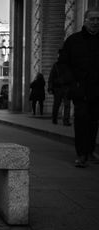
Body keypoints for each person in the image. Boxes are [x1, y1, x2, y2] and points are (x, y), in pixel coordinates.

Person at [58, 8, 99, 168]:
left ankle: (89, 151)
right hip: (80, 89)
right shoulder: (73, 41)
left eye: (98, 19)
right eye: (92, 19)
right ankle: (81, 153)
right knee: (81, 121)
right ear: (85, 20)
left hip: (97, 90)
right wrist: (71, 84)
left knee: (94, 121)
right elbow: (63, 64)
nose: (96, 22)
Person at [48, 49, 72, 126]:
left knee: (58, 104)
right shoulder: (67, 65)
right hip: (65, 87)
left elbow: (51, 77)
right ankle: (65, 120)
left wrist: (50, 88)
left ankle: (56, 119)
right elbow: (51, 77)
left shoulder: (57, 65)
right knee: (65, 105)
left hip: (60, 87)